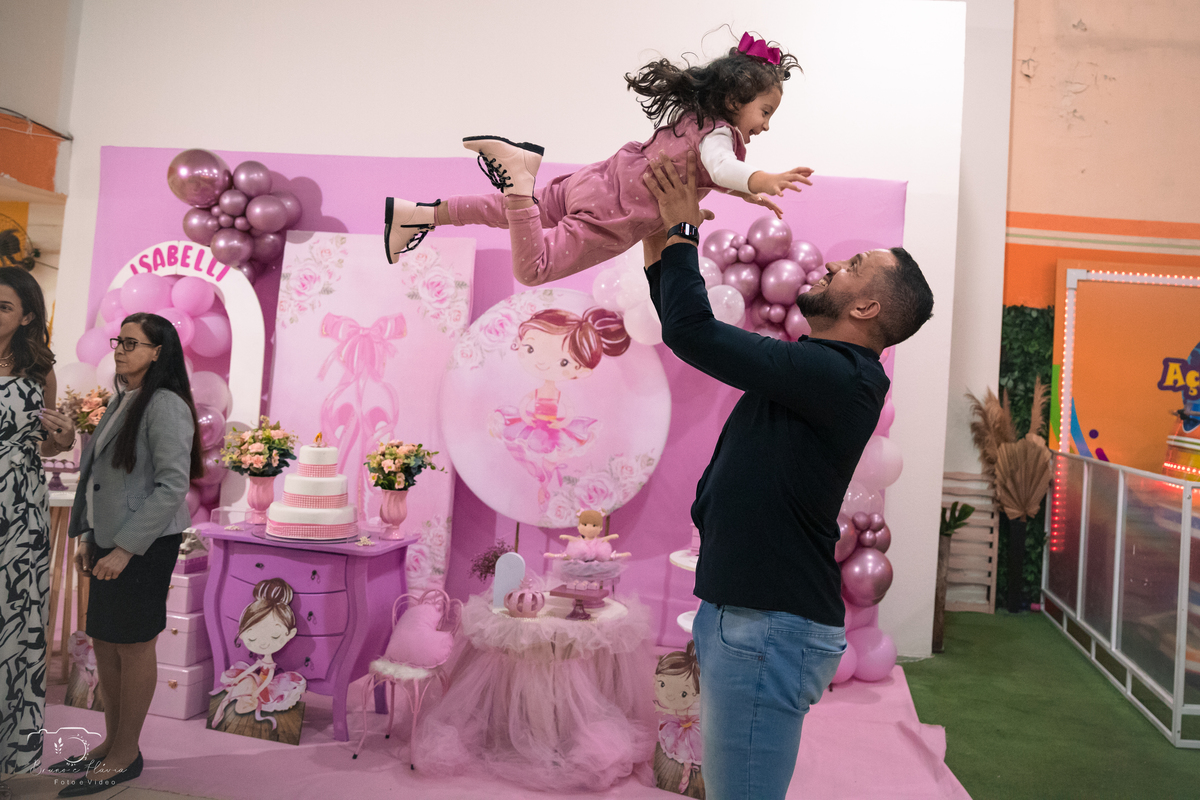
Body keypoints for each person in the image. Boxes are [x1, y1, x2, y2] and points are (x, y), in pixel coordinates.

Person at [640, 152, 933, 800]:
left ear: (868, 307)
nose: (831, 265)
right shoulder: (823, 373)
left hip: (768, 628)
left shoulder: (841, 377)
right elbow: (682, 324)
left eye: (853, 267)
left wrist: (682, 232)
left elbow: (694, 333)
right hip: (749, 619)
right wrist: (656, 239)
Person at [384, 31, 812, 285]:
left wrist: (743, 192)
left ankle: (419, 215)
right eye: (765, 112)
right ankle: (517, 180)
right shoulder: (720, 136)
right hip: (614, 214)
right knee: (534, 268)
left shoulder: (694, 120)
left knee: (507, 213)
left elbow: (706, 170)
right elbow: (720, 166)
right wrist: (761, 178)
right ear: (735, 100)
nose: (766, 125)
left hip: (597, 180)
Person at [52, 312, 203, 797]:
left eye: (133, 343)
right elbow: (99, 479)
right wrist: (87, 536)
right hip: (107, 540)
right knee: (106, 642)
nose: (120, 349)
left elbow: (172, 487)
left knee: (133, 646)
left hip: (143, 545)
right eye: (119, 341)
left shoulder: (166, 404)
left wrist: (123, 549)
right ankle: (112, 742)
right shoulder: (124, 398)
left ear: (158, 352)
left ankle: (126, 754)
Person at [0, 267, 76, 776]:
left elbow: (45, 446)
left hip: (19, 510)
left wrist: (63, 437)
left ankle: (10, 760)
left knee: (14, 621)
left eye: (4, 306)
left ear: (28, 316)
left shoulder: (39, 371)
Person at [488, 307, 629, 509]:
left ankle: (544, 484)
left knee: (551, 455)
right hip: (533, 422)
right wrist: (525, 418)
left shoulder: (559, 394)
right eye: (530, 349)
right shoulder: (537, 392)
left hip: (552, 427)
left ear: (581, 370)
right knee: (515, 443)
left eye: (564, 362)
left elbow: (568, 410)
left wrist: (562, 423)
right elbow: (525, 404)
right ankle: (538, 475)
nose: (542, 363)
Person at [209, 578, 305, 735]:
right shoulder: (259, 662)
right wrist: (238, 678)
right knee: (245, 682)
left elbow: (268, 678)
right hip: (256, 681)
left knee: (248, 685)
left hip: (264, 686)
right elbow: (251, 669)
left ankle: (224, 708)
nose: (263, 643)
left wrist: (258, 691)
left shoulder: (269, 663)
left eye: (275, 636)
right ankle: (222, 709)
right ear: (241, 632)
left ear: (290, 634)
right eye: (252, 638)